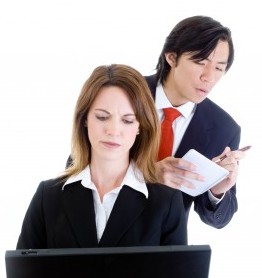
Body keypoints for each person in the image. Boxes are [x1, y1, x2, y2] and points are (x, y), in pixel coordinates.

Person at [16, 64, 187, 249]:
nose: (113, 131)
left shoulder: (166, 203)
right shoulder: (48, 197)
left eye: (127, 120)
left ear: (140, 126)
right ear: (85, 120)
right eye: (102, 117)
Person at [145, 15, 246, 229]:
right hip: (98, 235)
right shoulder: (122, 95)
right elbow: (78, 168)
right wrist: (145, 174)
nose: (209, 77)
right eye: (201, 62)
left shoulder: (223, 128)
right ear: (172, 57)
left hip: (165, 249)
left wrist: (218, 189)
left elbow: (218, 219)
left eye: (219, 68)